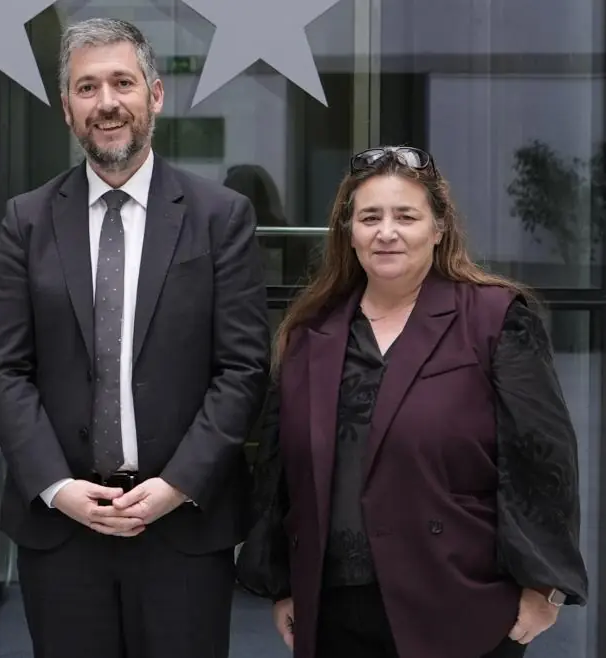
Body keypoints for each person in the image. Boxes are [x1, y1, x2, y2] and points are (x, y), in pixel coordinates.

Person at [0, 17, 270, 657]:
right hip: (62, 530)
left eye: (122, 83)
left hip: (184, 527)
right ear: (66, 108)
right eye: (87, 88)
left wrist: (177, 485)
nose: (107, 103)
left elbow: (243, 369)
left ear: (155, 95)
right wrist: (58, 487)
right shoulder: (27, 221)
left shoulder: (220, 218)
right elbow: (3, 369)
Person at [236, 146, 589, 658]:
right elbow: (279, 474)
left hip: (462, 607)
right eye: (369, 217)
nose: (386, 232)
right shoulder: (311, 335)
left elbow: (543, 460)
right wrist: (282, 583)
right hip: (334, 614)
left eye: (406, 216)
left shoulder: (494, 320)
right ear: (348, 231)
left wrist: (544, 588)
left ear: (439, 227)